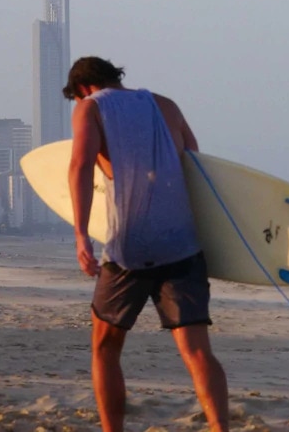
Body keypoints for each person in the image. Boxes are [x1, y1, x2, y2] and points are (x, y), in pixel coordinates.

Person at [64, 56, 229, 432]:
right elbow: (193, 164)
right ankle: (221, 428)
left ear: (83, 89)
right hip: (182, 245)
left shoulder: (90, 109)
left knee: (105, 347)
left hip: (128, 249)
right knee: (197, 350)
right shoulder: (166, 105)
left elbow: (80, 165)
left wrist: (80, 234)